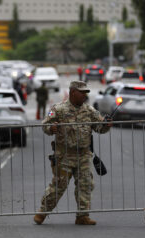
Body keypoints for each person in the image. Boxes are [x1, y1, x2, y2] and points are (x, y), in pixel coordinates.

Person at [33, 81, 112, 225]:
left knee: (86, 184)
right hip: (64, 156)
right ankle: (42, 212)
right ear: (72, 92)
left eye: (86, 93)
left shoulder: (89, 110)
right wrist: (52, 128)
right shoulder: (58, 109)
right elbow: (45, 124)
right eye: (82, 92)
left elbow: (99, 128)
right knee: (59, 185)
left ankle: (82, 215)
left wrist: (106, 125)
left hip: (83, 155)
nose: (84, 95)